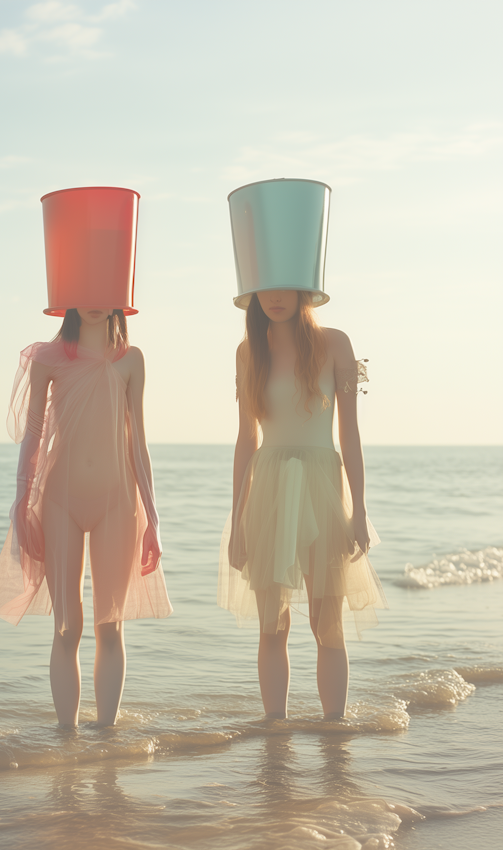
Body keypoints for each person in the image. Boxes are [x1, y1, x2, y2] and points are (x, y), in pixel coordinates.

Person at [0, 187, 172, 728]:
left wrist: (153, 519)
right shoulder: (50, 358)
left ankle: (106, 740)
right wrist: (22, 504)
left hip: (118, 501)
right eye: (83, 285)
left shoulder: (131, 359)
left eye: (104, 285)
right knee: (68, 625)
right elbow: (33, 437)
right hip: (62, 499)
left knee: (111, 624)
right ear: (67, 289)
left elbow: (139, 441)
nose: (93, 297)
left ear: (120, 292)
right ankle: (66, 741)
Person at [218, 179, 387, 720]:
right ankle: (276, 737)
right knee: (274, 625)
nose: (275, 294)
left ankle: (334, 736)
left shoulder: (335, 344)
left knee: (325, 622)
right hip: (268, 488)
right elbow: (246, 440)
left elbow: (350, 435)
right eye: (265, 283)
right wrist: (238, 516)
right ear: (253, 288)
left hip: (319, 484)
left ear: (304, 287)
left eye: (286, 282)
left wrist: (360, 509)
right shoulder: (248, 352)